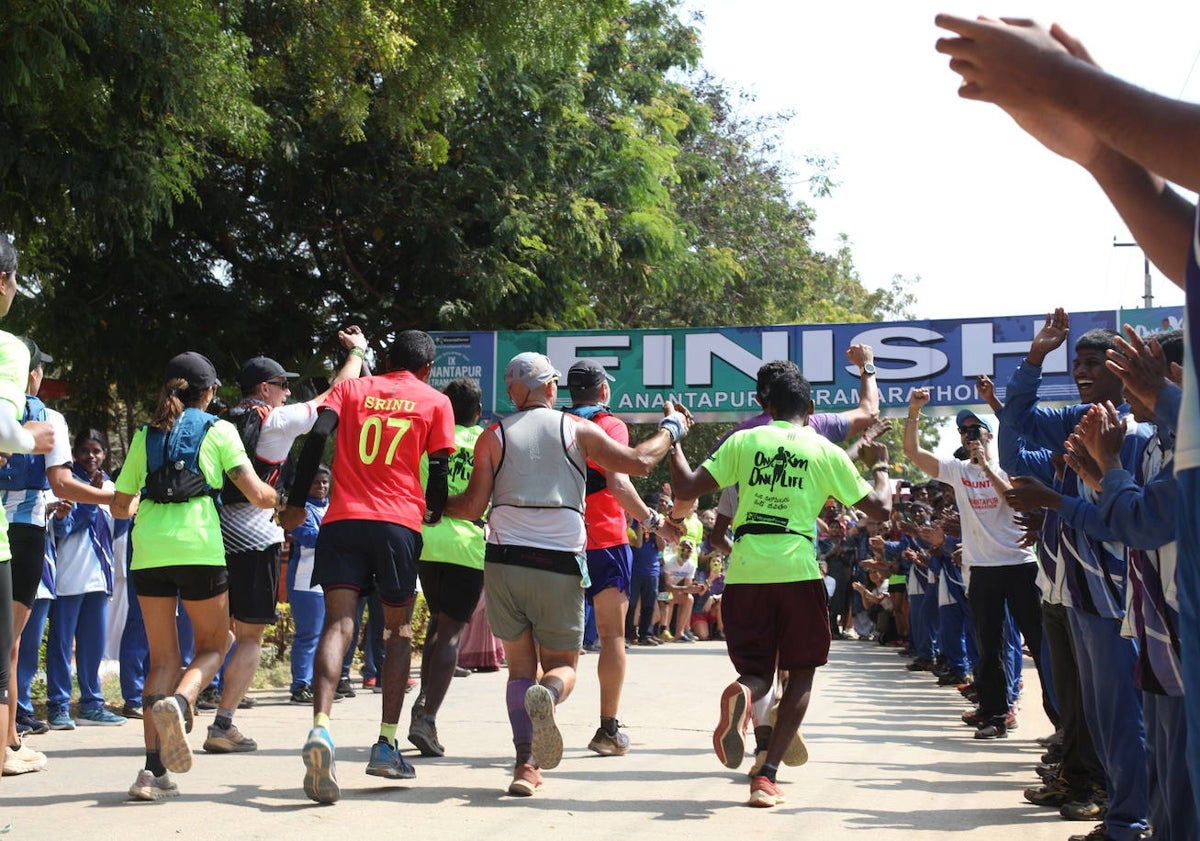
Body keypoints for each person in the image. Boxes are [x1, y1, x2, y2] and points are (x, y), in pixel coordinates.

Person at [933, 13, 1200, 826]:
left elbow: (1150, 516)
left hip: (1121, 580)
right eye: (1079, 369)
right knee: (1120, 723)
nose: (1093, 379)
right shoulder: (1073, 419)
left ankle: (1122, 813)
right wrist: (1095, 145)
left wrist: (1072, 90)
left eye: (1098, 366)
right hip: (1096, 588)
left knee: (1140, 727)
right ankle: (1118, 804)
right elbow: (1017, 444)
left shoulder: (1143, 431)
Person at [442, 351, 690, 798]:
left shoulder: (491, 435)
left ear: (513, 392)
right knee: (560, 667)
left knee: (519, 669)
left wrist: (433, 504)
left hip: (502, 561)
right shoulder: (579, 429)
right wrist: (671, 430)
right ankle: (552, 696)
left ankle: (525, 766)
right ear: (551, 389)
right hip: (558, 561)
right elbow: (637, 462)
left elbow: (471, 507)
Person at [667, 366, 891, 808]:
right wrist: (879, 465)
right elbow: (880, 509)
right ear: (809, 409)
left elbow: (686, 486)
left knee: (757, 670)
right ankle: (766, 777)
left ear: (767, 407)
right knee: (801, 671)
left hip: (747, 573)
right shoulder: (824, 450)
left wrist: (673, 437)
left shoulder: (743, 441)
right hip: (798, 572)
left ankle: (746, 694)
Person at [280, 330, 455, 804]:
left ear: (388, 360)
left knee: (338, 625)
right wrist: (434, 510)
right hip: (398, 525)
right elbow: (437, 472)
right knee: (396, 632)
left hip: (342, 521)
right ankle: (385, 744)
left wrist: (296, 502)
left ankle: (321, 727)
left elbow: (317, 436)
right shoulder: (435, 400)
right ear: (425, 369)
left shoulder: (352, 388)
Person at [111, 352, 279, 801]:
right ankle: (183, 702)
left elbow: (119, 503)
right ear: (208, 393)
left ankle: (151, 774)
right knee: (216, 643)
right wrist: (277, 500)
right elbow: (254, 491)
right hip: (199, 549)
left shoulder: (145, 434)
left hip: (149, 552)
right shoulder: (219, 429)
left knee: (161, 659)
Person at [205, 328, 367, 755]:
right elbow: (336, 393)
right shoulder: (273, 421)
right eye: (282, 385)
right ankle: (222, 723)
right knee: (250, 636)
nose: (287, 391)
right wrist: (358, 352)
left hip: (209, 531)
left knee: (214, 633)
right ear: (264, 388)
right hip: (256, 533)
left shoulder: (219, 421)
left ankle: (182, 697)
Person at [563, 358, 680, 755]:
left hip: (560, 540)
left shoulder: (556, 424)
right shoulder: (610, 426)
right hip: (605, 542)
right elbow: (618, 482)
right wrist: (654, 521)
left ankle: (546, 696)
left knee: (559, 640)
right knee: (613, 636)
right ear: (603, 391)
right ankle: (607, 731)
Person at [408, 378, 487, 758]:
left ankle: (422, 705)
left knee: (437, 625)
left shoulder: (428, 437)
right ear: (477, 410)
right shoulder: (486, 441)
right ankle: (427, 717)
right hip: (466, 544)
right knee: (451, 632)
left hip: (427, 538)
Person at [45, 430, 126, 728]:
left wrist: (124, 508)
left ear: (105, 454)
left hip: (99, 576)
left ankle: (92, 704)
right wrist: (91, 498)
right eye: (84, 450)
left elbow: (116, 531)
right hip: (69, 575)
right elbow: (66, 529)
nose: (90, 456)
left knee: (93, 644)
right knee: (62, 644)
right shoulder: (65, 483)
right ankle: (58, 705)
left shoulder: (109, 486)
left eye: (97, 451)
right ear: (74, 454)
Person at [286, 466, 332, 705]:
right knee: (308, 635)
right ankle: (300, 685)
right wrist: (338, 533)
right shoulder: (300, 510)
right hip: (306, 581)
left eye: (325, 482)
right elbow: (311, 538)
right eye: (316, 483)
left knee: (327, 635)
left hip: (330, 579)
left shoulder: (333, 506)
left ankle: (317, 682)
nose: (322, 487)